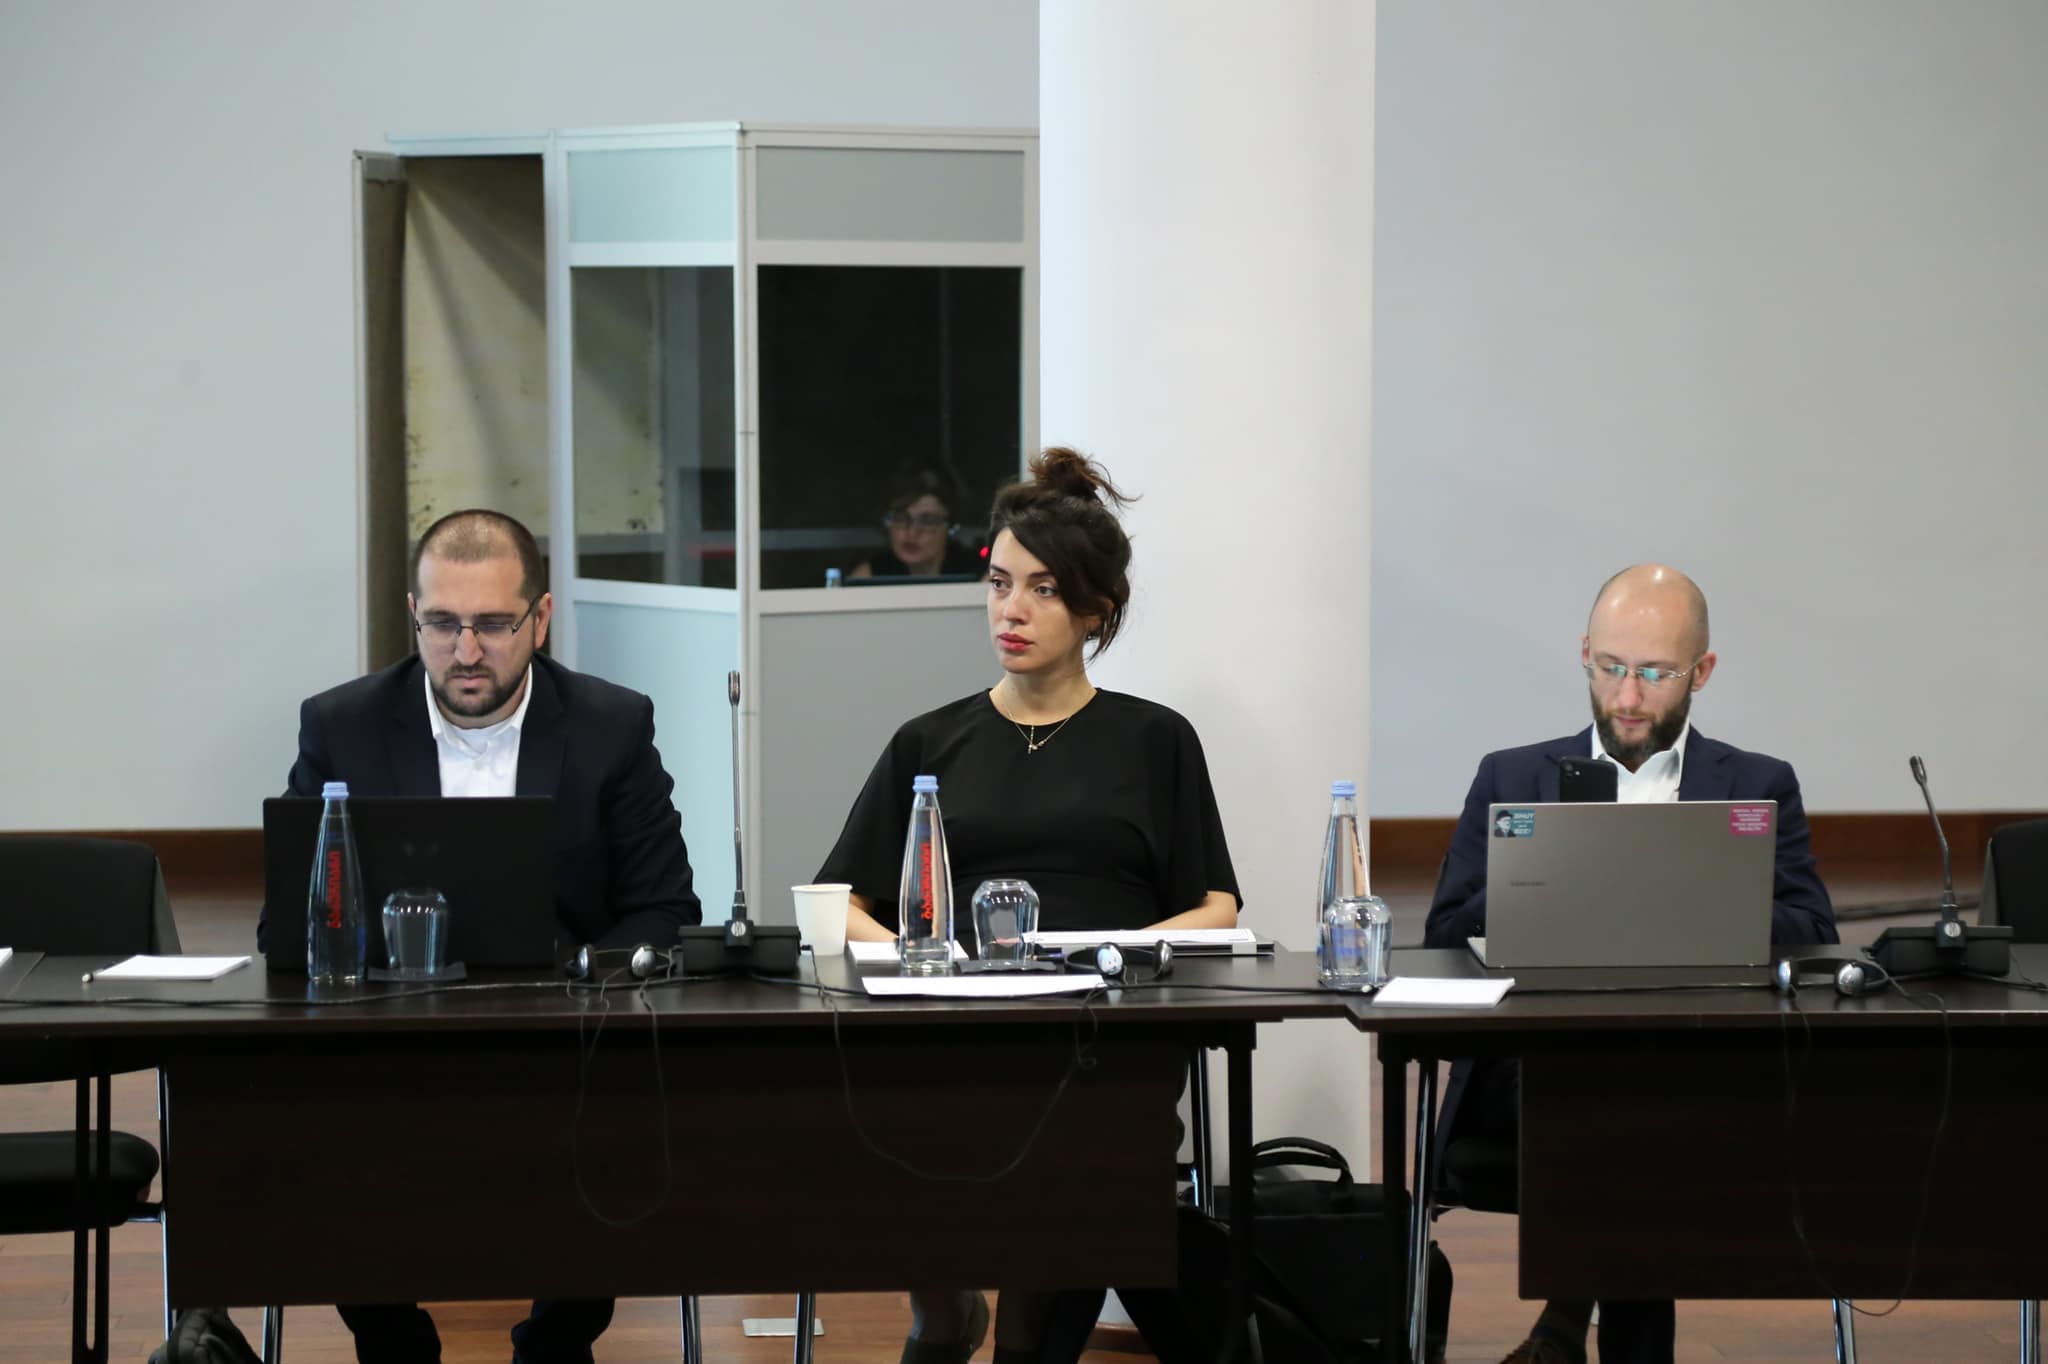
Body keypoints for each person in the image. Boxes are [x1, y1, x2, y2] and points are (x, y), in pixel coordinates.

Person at [817, 448, 1241, 1364]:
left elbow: (1215, 907)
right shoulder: (931, 741)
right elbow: (841, 904)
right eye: (1000, 583)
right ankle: (958, 1319)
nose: (1011, 610)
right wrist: (925, 964)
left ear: (1097, 611)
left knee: (1082, 1151)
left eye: (1044, 591)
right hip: (962, 1034)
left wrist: (1112, 959)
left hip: (1107, 1035)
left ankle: (996, 1337)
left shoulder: (1155, 739)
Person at [270, 507, 702, 1364]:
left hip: (563, 1041)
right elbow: (289, 923)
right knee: (322, 1129)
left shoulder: (611, 726)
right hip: (387, 1045)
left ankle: (556, 1344)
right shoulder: (342, 726)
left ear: (540, 619)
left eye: (494, 624)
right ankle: (394, 1345)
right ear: (413, 617)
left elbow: (665, 912)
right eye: (442, 624)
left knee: (621, 1119)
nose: (466, 651)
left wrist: (576, 986)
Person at [1425, 563, 1836, 1364]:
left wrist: (1683, 903)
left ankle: (1560, 1327)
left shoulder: (1757, 785)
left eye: (1655, 673)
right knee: (1621, 1109)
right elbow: (1445, 932)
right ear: (1584, 653)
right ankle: (1567, 1331)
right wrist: (1539, 889)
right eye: (1611, 667)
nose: (1628, 697)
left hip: (1694, 1067)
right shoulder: (1512, 776)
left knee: (1638, 1103)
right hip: (1533, 1072)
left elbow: (1812, 930)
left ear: (1701, 672)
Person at [848, 464, 987, 579]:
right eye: (901, 518)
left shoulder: (980, 576)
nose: (912, 532)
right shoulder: (868, 576)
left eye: (928, 521)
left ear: (951, 526)